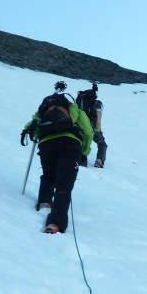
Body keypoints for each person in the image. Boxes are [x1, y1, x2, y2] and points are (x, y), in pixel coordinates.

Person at [21, 81, 93, 234]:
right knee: (64, 183)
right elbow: (88, 131)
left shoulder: (44, 108)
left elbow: (31, 126)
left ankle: (45, 203)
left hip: (46, 144)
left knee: (49, 174)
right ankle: (55, 223)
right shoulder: (74, 108)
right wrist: (84, 152)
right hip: (70, 143)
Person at [76, 82, 108, 168]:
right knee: (102, 144)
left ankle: (79, 159)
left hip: (79, 123)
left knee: (82, 140)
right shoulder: (97, 103)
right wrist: (97, 126)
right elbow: (98, 114)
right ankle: (99, 161)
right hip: (92, 125)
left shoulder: (80, 101)